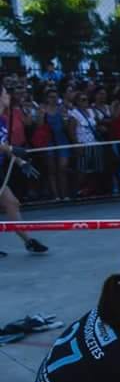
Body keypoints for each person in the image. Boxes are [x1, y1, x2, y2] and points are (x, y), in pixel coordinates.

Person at [0, 85, 49, 256]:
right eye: (5, 93)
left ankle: (28, 241)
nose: (8, 96)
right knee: (10, 202)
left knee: (12, 203)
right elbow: (6, 147)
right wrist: (12, 149)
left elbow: (4, 146)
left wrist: (20, 162)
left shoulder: (3, 120)